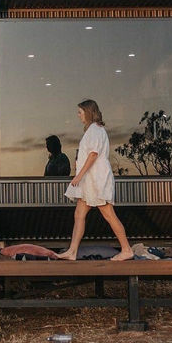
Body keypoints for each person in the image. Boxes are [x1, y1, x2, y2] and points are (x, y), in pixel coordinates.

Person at [56, 99, 134, 261]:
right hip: (90, 181)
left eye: (80, 112)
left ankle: (126, 249)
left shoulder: (96, 130)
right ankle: (72, 251)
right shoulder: (92, 130)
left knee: (109, 215)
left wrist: (79, 175)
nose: (78, 116)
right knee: (79, 214)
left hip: (97, 179)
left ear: (88, 111)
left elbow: (93, 155)